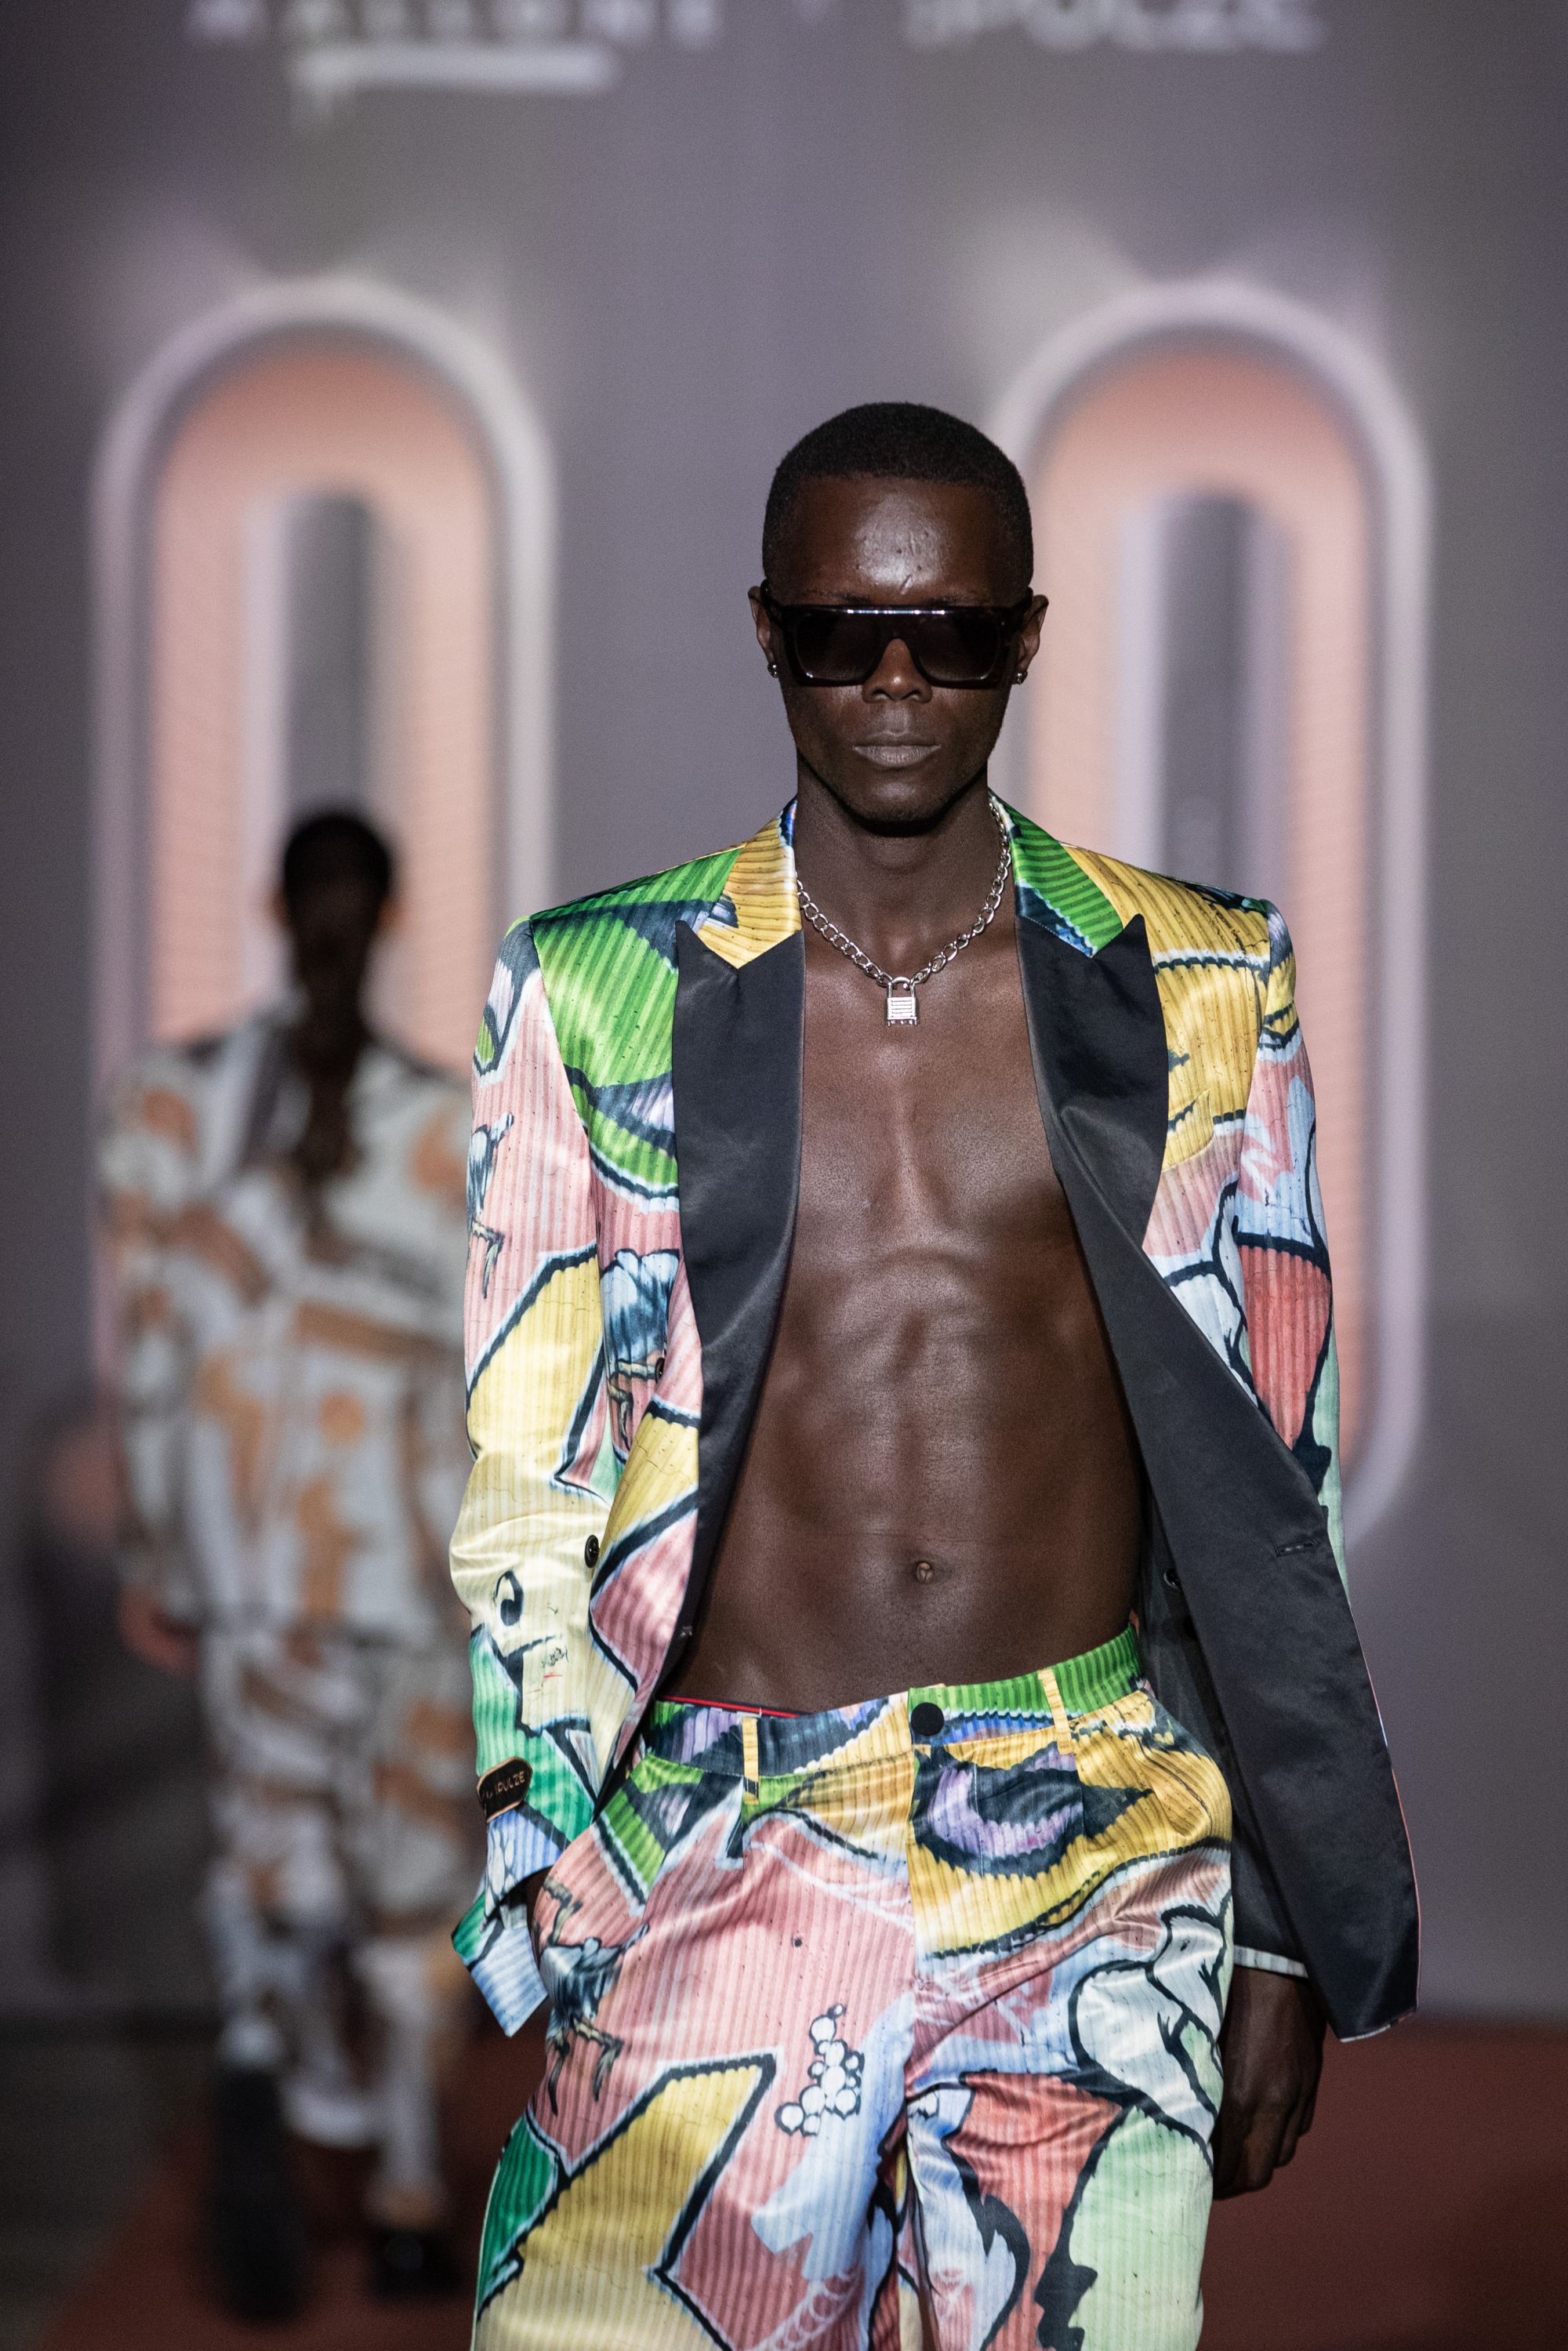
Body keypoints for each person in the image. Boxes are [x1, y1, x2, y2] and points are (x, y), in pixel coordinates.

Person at [449, 405, 1418, 2349]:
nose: (895, 682)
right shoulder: (593, 986)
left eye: (952, 635)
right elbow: (526, 1476)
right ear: (766, 631)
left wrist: (1281, 1921)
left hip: (1093, 1836)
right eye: (841, 633)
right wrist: (551, 1867)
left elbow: (1270, 1485)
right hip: (717, 1824)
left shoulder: (1202, 980)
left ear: (1027, 637)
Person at [100, 810, 480, 2315]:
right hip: (412, 1570)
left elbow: (153, 1356)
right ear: (390, 919)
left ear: (272, 907)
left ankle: (290, 2076)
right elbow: (491, 1371)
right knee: (413, 1889)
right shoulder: (451, 1128)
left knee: (278, 1870)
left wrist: (156, 1548)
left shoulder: (166, 1108)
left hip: (256, 1567)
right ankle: (403, 2192)